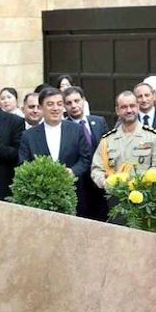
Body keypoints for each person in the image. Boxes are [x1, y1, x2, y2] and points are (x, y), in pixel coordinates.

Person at [91, 90, 156, 219]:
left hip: (145, 202)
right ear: (117, 110)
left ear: (138, 107)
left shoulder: (153, 137)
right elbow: (96, 169)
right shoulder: (108, 140)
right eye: (124, 107)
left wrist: (140, 185)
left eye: (132, 106)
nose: (129, 110)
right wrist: (105, 183)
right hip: (116, 201)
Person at [18, 87, 92, 186]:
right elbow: (24, 165)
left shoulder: (77, 130)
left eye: (59, 104)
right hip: (42, 191)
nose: (55, 108)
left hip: (73, 189)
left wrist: (73, 171)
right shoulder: (29, 136)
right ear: (41, 107)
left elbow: (86, 158)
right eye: (50, 104)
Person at [62, 86, 109, 221]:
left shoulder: (99, 121)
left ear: (84, 101)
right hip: (79, 187)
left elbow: (108, 147)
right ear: (64, 106)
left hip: (100, 186)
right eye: (69, 103)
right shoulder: (65, 128)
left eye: (77, 101)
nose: (74, 106)